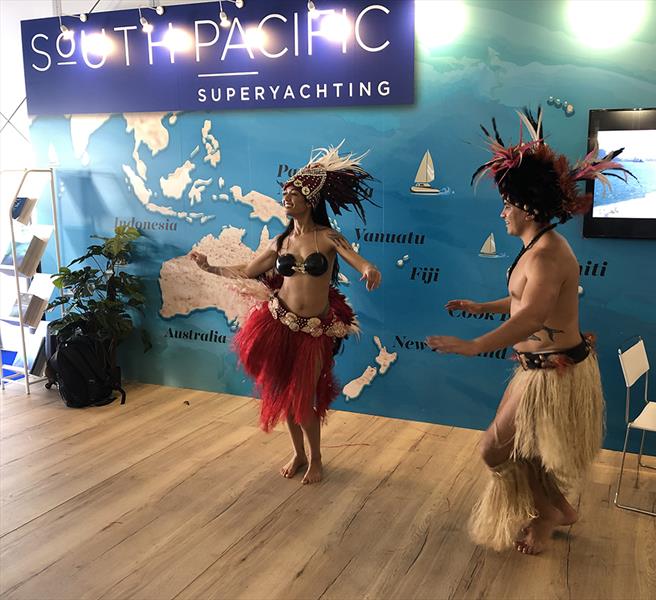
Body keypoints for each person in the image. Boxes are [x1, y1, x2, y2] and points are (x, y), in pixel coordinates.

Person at [427, 107, 633, 554]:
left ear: (526, 207)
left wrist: (475, 345)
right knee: (525, 449)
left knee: (493, 451)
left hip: (551, 374)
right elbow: (526, 303)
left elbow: (532, 317)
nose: (501, 213)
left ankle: (547, 513)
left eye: (506, 205)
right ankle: (558, 510)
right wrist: (483, 306)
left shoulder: (545, 255)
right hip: (540, 368)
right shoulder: (537, 247)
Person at [191, 143, 381, 485]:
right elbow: (250, 270)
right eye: (285, 194)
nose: (286, 199)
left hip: (313, 331)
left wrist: (368, 269)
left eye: (293, 195)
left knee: (302, 400)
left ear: (310, 201)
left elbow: (355, 258)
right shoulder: (281, 243)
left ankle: (317, 459)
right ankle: (298, 453)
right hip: (280, 324)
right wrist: (211, 267)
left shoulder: (327, 238)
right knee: (282, 392)